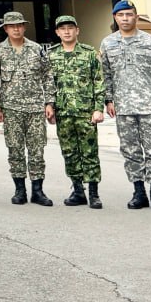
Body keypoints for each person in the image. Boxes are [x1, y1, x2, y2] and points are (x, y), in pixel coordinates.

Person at [101, 0, 151, 211]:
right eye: (121, 15)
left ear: (136, 17)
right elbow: (105, 74)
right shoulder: (108, 43)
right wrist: (109, 100)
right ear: (115, 18)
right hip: (123, 107)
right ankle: (139, 192)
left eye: (129, 14)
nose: (125, 19)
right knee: (130, 151)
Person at [0, 11, 54, 207]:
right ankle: (20, 190)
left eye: (19, 25)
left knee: (37, 150)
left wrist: (49, 102)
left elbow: (48, 76)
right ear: (5, 29)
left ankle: (38, 191)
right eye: (12, 26)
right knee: (15, 150)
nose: (16, 29)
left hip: (35, 107)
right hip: (11, 108)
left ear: (24, 27)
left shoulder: (36, 49)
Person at [48, 15, 105, 210]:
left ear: (77, 30)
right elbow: (48, 84)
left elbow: (98, 81)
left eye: (70, 28)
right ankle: (78, 190)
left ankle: (94, 193)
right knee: (69, 152)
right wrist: (49, 106)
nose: (67, 31)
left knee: (90, 152)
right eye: (62, 28)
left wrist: (98, 108)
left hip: (85, 112)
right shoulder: (51, 55)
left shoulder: (89, 53)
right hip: (63, 113)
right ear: (57, 32)